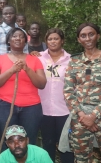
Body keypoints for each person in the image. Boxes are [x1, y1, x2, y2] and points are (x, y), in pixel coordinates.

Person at [64, 22, 101, 162]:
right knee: (81, 159)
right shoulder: (74, 61)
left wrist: (94, 115)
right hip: (81, 118)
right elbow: (68, 92)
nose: (87, 38)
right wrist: (83, 116)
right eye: (83, 36)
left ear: (98, 36)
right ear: (78, 39)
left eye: (91, 34)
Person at [0, 28, 46, 151]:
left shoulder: (34, 60)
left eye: (21, 36)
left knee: (29, 141)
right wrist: (11, 70)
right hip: (5, 106)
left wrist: (27, 69)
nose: (18, 38)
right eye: (14, 36)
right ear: (9, 41)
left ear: (25, 41)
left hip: (31, 107)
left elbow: (42, 84)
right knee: (7, 141)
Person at [37, 28, 74, 162]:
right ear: (46, 41)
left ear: (62, 41)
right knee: (48, 144)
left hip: (64, 109)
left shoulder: (71, 60)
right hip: (43, 109)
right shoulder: (38, 58)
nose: (53, 41)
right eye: (50, 39)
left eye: (56, 38)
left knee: (66, 145)